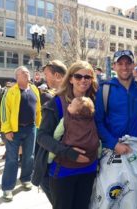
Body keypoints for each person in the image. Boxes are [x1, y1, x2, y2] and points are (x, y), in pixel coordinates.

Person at [33, 61, 99, 209]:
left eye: (87, 77)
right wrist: (69, 153)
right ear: (70, 78)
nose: (83, 80)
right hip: (63, 170)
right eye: (78, 76)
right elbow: (42, 136)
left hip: (89, 169)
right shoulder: (56, 103)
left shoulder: (95, 102)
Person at [94, 50, 137, 208]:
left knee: (132, 197)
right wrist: (113, 144)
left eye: (128, 63)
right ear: (114, 66)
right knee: (108, 198)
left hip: (135, 153)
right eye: (120, 63)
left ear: (133, 65)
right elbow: (98, 121)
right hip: (112, 152)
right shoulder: (105, 89)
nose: (124, 67)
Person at [0, 66, 42, 202]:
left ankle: (25, 179)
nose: (27, 74)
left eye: (28, 72)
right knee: (12, 159)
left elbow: (38, 109)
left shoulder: (34, 89)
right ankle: (7, 188)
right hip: (14, 130)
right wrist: (7, 130)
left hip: (31, 128)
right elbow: (4, 112)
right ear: (17, 76)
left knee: (29, 156)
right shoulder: (10, 92)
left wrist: (38, 125)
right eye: (24, 73)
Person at [33, 59, 67, 203]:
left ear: (58, 76)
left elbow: (42, 137)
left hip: (56, 168)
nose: (44, 78)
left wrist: (65, 151)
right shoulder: (61, 99)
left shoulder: (55, 103)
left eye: (47, 74)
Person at [47, 96, 96, 163]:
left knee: (55, 150)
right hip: (87, 147)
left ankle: (49, 159)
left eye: (71, 105)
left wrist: (55, 140)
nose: (69, 104)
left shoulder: (66, 119)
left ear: (77, 112)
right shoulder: (90, 121)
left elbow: (57, 134)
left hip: (70, 145)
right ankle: (98, 157)